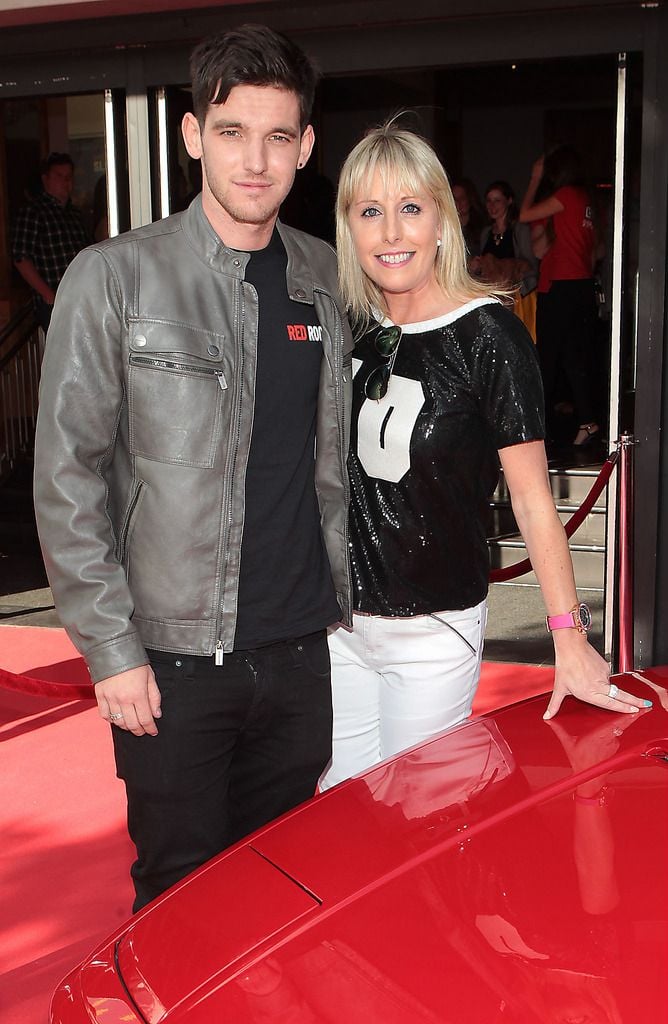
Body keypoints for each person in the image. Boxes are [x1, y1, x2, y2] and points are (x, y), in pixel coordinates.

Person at [33, 24, 353, 911]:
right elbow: (68, 477)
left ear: (305, 147)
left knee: (278, 897)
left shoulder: (326, 279)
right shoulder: (114, 279)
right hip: (170, 664)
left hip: (297, 653)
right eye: (232, 132)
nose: (256, 160)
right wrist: (110, 651)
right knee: (177, 902)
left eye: (278, 136)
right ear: (191, 135)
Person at [320, 123, 646, 790]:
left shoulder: (488, 334)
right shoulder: (352, 327)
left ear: (443, 220)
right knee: (341, 815)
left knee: (421, 823)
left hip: (432, 633)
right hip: (339, 630)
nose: (390, 232)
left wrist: (568, 635)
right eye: (370, 211)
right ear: (349, 227)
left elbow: (531, 498)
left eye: (410, 208)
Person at [519, 146, 600, 446]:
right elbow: (594, 250)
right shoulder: (586, 200)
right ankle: (588, 422)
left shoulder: (566, 195)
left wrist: (534, 178)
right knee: (572, 358)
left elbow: (525, 213)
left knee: (549, 359)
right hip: (580, 284)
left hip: (560, 286)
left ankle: (537, 430)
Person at [11, 151, 90, 331]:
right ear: (46, 180)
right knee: (64, 354)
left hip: (81, 297)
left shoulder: (75, 214)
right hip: (55, 301)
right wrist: (49, 295)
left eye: (69, 177)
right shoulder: (33, 212)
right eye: (59, 176)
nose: (65, 181)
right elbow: (20, 258)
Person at [450, 177, 485, 260]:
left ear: (470, 199)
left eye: (462, 198)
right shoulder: (445, 228)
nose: (458, 203)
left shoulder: (482, 229)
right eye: (454, 199)